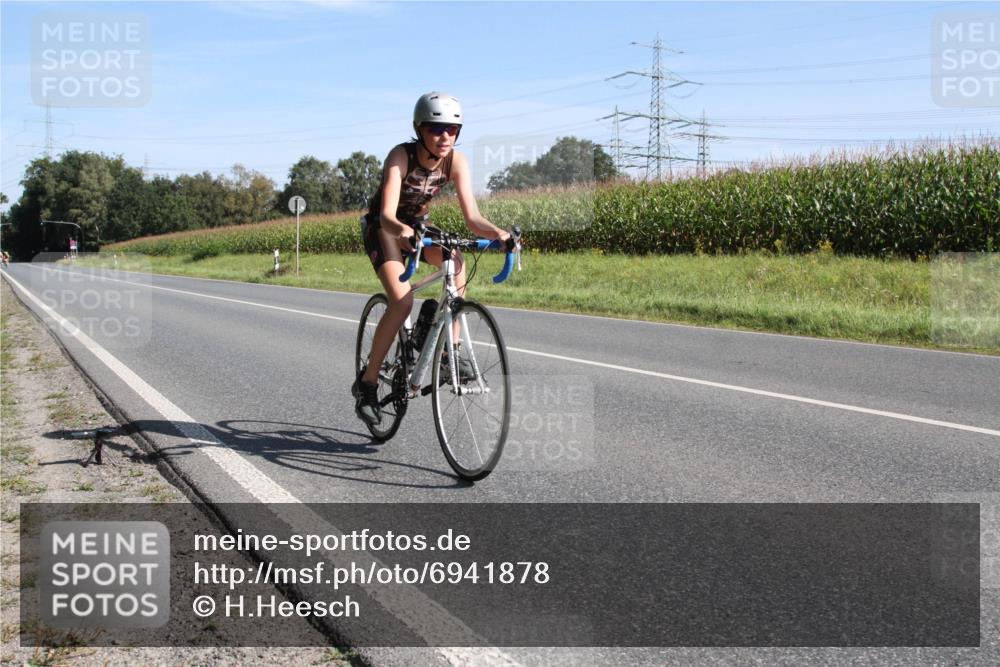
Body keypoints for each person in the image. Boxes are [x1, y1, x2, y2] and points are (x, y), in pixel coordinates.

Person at [354, 92, 510, 426]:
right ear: (419, 129)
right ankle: (367, 384)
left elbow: (473, 218)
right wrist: (404, 232)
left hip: (418, 227)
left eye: (453, 130)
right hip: (385, 226)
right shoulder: (400, 156)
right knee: (402, 300)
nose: (445, 137)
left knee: (456, 261)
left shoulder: (456, 161)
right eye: (436, 129)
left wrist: (498, 234)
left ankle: (448, 352)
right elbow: (385, 214)